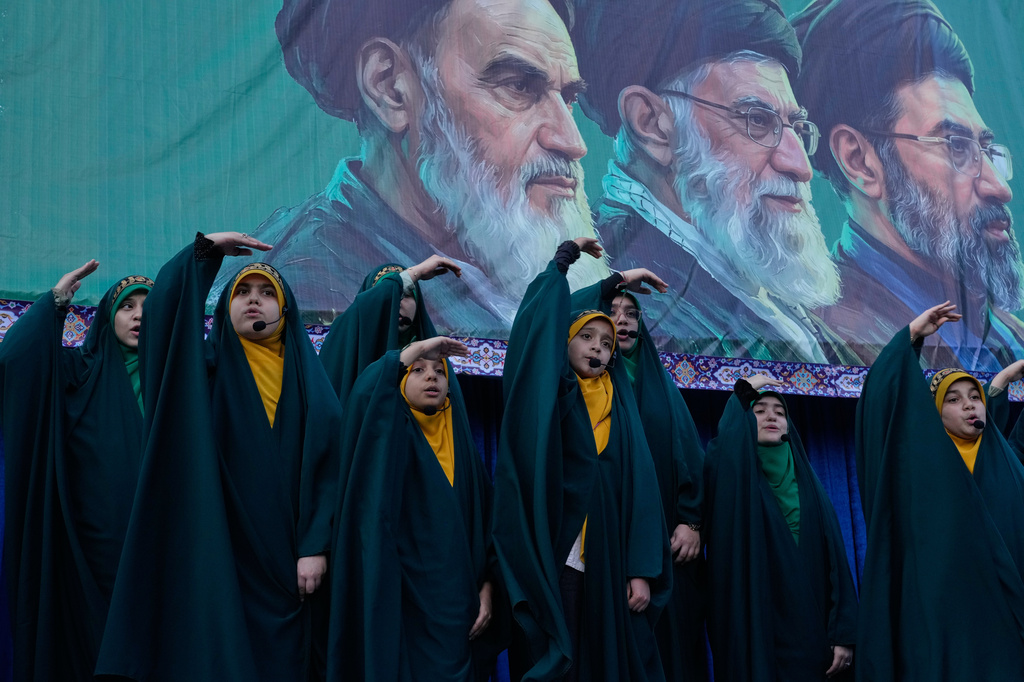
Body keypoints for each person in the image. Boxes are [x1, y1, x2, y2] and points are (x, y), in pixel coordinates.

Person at [208, 0, 607, 336]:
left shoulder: (505, 269)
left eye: (568, 98)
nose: (573, 142)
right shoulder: (299, 288)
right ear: (390, 87)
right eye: (519, 86)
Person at [95, 232, 341, 681]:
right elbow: (163, 328)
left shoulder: (312, 384)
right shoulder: (204, 372)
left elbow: (329, 469)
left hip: (295, 570)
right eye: (242, 292)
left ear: (285, 309)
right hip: (224, 563)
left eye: (268, 293)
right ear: (223, 308)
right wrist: (203, 255)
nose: (254, 301)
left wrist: (314, 547)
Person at [571, 0, 852, 363]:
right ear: (652, 125)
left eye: (796, 128)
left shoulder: (753, 266)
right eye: (758, 120)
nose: (800, 165)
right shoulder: (609, 298)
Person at [794, 0, 1023, 370]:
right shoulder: (824, 342)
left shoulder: (1011, 340)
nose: (999, 187)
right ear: (860, 162)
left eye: (986, 149)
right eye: (956, 147)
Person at [492, 237, 672, 682]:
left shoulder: (621, 406)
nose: (597, 347)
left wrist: (642, 570)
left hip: (608, 562)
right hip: (560, 554)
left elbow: (642, 490)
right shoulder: (552, 396)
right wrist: (564, 260)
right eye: (586, 337)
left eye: (607, 342)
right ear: (565, 342)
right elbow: (541, 324)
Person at [855, 301, 1024, 679]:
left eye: (974, 397)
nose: (969, 406)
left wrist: (1003, 380)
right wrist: (911, 337)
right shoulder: (924, 472)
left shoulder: (1007, 465)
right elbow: (882, 409)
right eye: (953, 399)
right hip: (949, 632)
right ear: (934, 411)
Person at [0, 263, 151, 681]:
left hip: (162, 543)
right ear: (108, 315)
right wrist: (55, 302)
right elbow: (15, 361)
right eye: (128, 307)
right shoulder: (77, 371)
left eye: (150, 306)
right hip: (91, 547)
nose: (140, 315)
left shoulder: (183, 379)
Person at [327, 335, 501, 681]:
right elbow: (366, 397)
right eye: (418, 370)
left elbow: (489, 526)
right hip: (402, 601)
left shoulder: (463, 448)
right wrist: (410, 353)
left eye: (439, 371)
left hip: (457, 607)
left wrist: (489, 587)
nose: (432, 376)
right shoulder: (391, 436)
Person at [570, 277, 708, 680]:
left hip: (666, 548)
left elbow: (689, 458)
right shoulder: (588, 385)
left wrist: (691, 522)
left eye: (632, 314)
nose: (623, 321)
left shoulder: (662, 388)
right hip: (605, 540)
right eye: (612, 312)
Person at [704, 373, 857, 680]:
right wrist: (742, 394)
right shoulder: (734, 482)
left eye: (779, 411)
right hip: (756, 635)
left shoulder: (811, 487)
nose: (771, 416)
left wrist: (844, 634)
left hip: (813, 640)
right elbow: (723, 450)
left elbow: (837, 565)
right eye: (759, 411)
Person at [318, 255, 461, 401]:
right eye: (386, 296)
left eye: (406, 294)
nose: (396, 302)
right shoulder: (345, 341)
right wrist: (414, 274)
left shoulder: (432, 350)